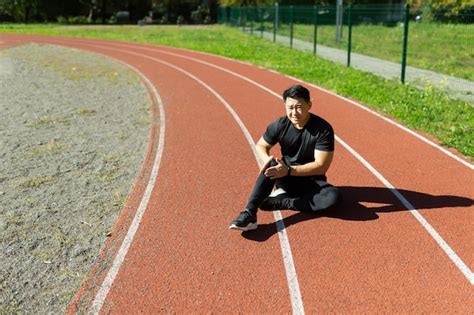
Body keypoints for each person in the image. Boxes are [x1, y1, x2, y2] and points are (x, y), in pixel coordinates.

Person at [229, 85, 340, 231]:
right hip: (284, 177)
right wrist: (268, 160)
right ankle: (249, 213)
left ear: (309, 105)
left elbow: (321, 166)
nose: (294, 112)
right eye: (290, 107)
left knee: (332, 197)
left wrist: (288, 170)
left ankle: (285, 201)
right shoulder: (280, 124)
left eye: (299, 107)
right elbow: (261, 146)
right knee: (272, 163)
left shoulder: (323, 129)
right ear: (285, 106)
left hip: (311, 180)